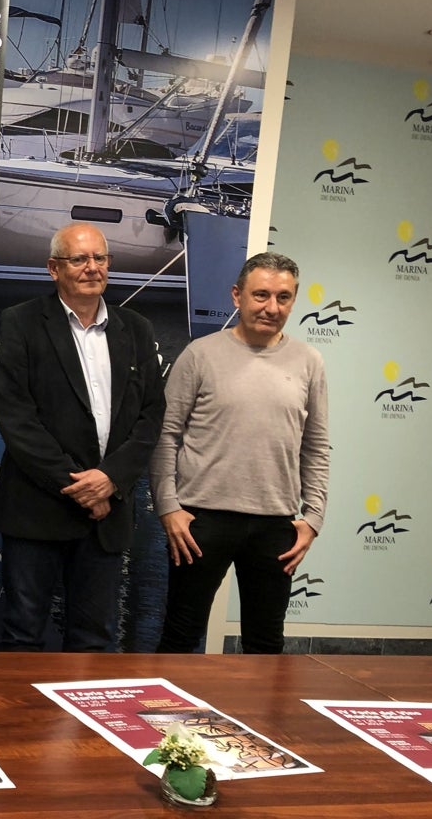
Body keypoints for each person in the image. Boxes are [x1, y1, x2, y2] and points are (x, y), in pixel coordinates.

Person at [0, 223, 165, 652]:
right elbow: (17, 419)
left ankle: (83, 722)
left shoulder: (136, 328)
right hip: (38, 509)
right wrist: (81, 486)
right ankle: (21, 720)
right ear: (54, 268)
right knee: (23, 636)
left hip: (106, 514)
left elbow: (151, 415)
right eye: (79, 259)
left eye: (100, 258)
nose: (92, 268)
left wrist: (111, 479)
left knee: (94, 640)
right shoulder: (21, 323)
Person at [151, 252, 329, 654]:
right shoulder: (199, 354)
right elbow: (165, 436)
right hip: (199, 521)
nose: (271, 307)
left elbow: (316, 445)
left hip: (275, 526)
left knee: (266, 645)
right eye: (261, 295)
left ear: (293, 301)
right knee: (179, 637)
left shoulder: (309, 362)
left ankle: (262, 720)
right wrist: (167, 507)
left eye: (283, 297)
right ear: (237, 296)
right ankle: (157, 717)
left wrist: (313, 518)